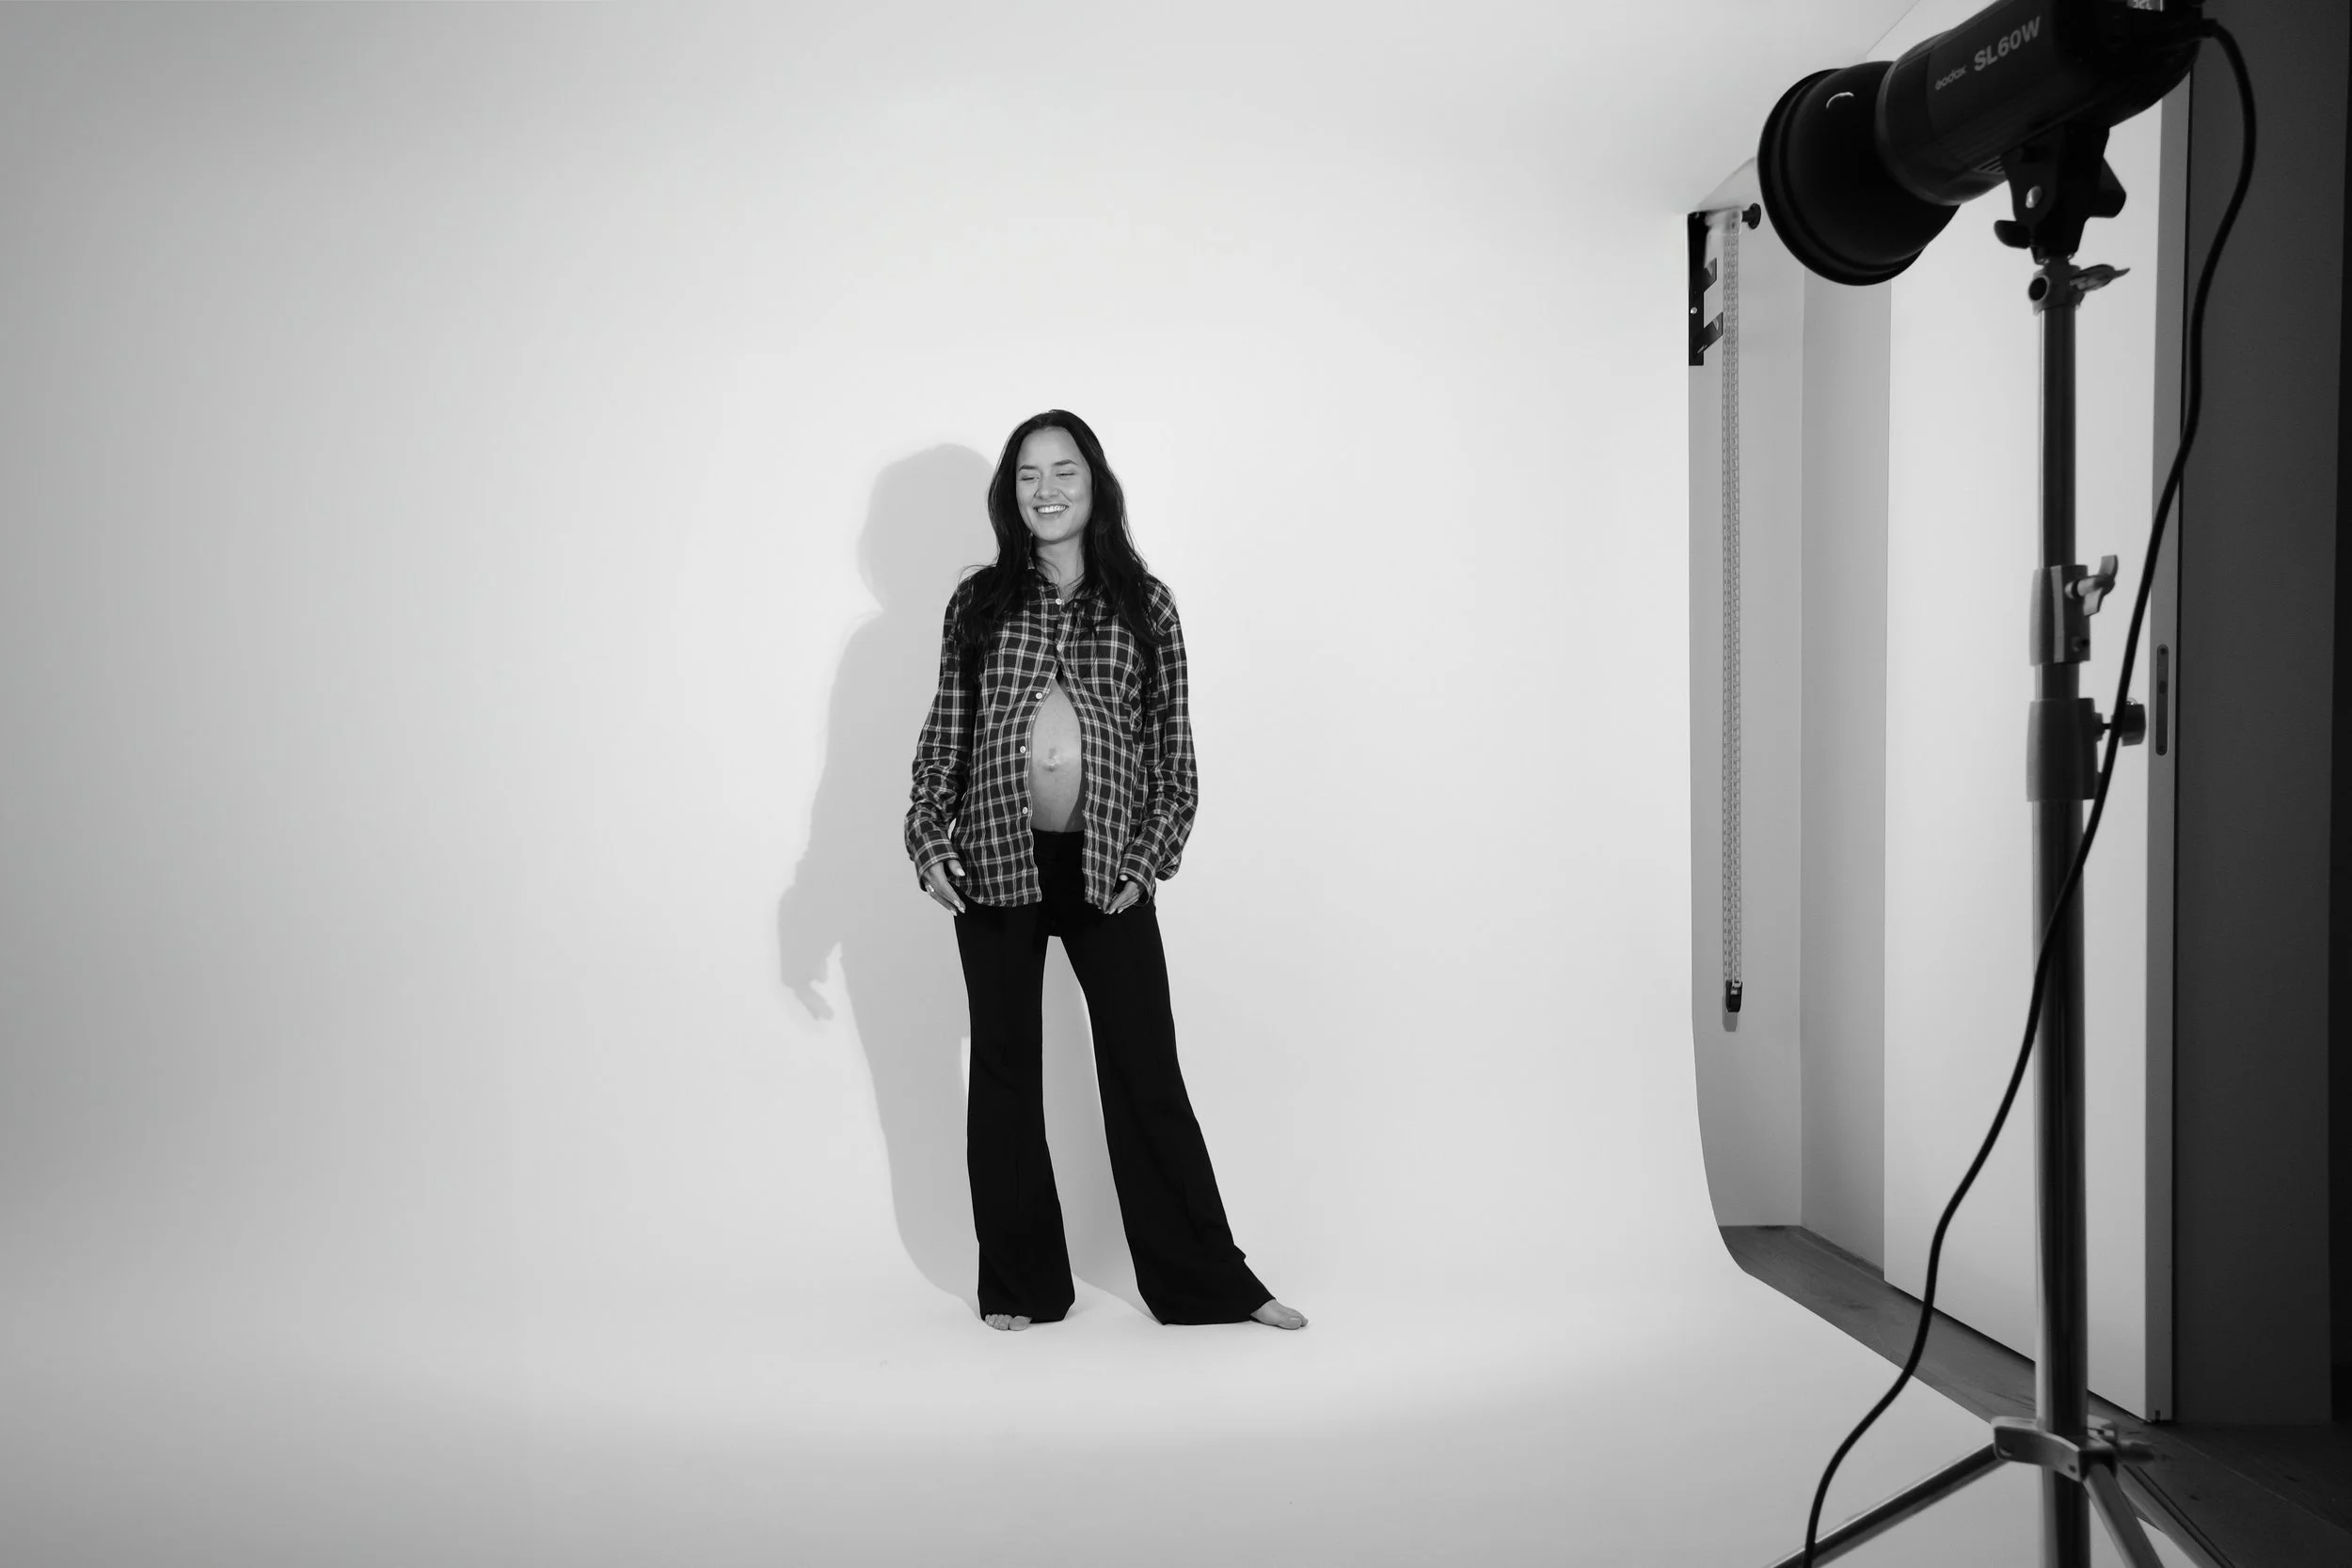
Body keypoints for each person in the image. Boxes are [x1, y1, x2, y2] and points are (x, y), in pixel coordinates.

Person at [904, 409, 1307, 1335]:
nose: (1045, 490)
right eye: (1028, 475)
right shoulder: (978, 603)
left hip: (1108, 867)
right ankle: (1018, 1283)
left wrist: (1151, 853)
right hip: (992, 859)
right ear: (1010, 493)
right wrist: (928, 839)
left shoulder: (1143, 601)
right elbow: (945, 731)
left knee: (1145, 1068)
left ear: (1096, 485)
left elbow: (1174, 745)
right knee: (1004, 1070)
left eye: (1065, 472)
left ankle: (1211, 1282)